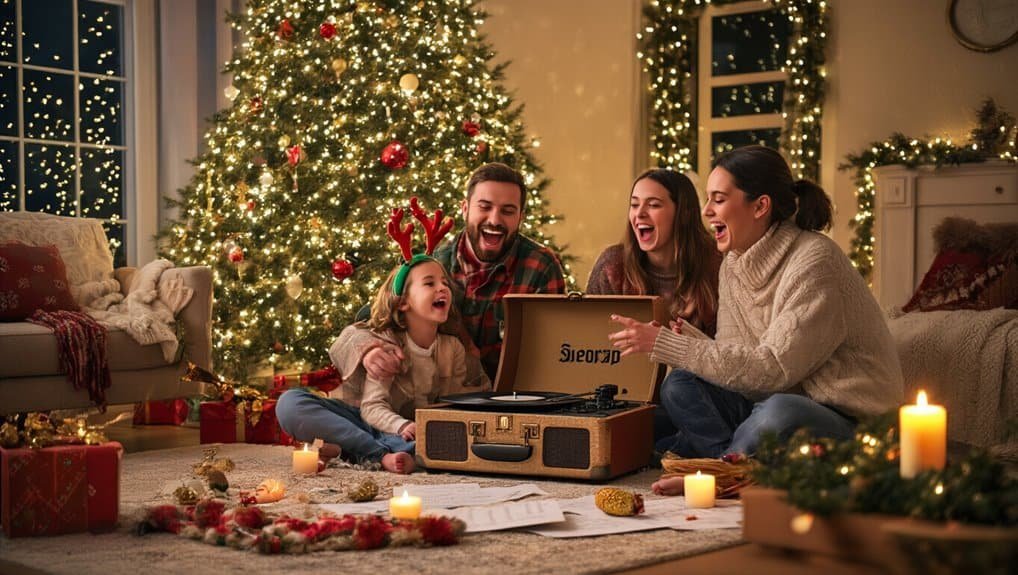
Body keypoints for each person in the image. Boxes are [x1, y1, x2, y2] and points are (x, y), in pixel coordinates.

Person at [606, 145, 903, 495]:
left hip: (851, 421)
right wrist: (692, 343)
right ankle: (735, 468)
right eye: (707, 199)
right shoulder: (733, 263)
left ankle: (717, 472)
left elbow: (774, 370)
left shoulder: (814, 261)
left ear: (760, 206)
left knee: (779, 412)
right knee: (680, 385)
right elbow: (743, 370)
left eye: (718, 199)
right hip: (772, 396)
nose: (706, 211)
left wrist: (673, 347)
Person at [276, 203, 482, 474]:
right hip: (368, 423)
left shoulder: (451, 348)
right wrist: (400, 427)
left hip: (413, 434)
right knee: (290, 405)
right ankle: (377, 453)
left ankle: (350, 451)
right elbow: (372, 408)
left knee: (461, 442)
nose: (443, 287)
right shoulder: (386, 344)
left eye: (444, 283)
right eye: (430, 283)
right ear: (404, 302)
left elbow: (453, 404)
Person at [334, 162, 566, 384]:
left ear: (520, 217)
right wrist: (369, 350)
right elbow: (371, 317)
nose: (495, 220)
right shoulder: (431, 263)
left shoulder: (540, 266)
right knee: (297, 403)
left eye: (507, 211)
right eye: (484, 207)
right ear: (465, 209)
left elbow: (554, 350)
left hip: (513, 401)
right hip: (436, 398)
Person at [587, 168, 721, 336]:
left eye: (653, 205)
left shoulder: (718, 265)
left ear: (684, 214)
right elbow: (589, 338)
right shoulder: (612, 266)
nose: (640, 213)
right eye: (634, 205)